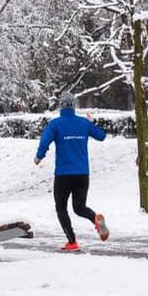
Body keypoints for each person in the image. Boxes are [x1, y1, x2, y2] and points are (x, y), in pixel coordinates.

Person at [34, 92, 109, 252]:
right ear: (73, 106)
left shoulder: (55, 124)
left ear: (61, 106)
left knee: (61, 208)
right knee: (79, 207)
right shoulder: (84, 123)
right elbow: (101, 136)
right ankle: (95, 219)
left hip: (63, 174)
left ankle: (72, 241)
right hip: (82, 174)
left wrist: (39, 157)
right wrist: (92, 122)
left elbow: (44, 141)